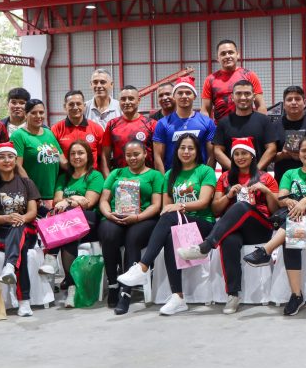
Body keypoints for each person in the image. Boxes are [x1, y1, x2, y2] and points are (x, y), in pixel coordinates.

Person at [115, 133, 217, 316]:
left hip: (203, 224)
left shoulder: (205, 171)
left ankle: (143, 266)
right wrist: (174, 208)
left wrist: (181, 206)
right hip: (179, 224)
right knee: (171, 235)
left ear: (197, 151)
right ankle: (178, 297)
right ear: (176, 150)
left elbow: (203, 202)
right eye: (182, 148)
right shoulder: (170, 174)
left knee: (171, 216)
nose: (186, 152)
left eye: (190, 148)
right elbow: (165, 206)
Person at [176, 138, 280, 314]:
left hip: (260, 227)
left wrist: (266, 191)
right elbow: (216, 210)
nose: (240, 157)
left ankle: (206, 246)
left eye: (244, 153)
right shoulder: (225, 178)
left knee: (241, 207)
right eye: (236, 154)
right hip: (233, 228)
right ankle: (233, 294)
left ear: (252, 156)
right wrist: (229, 195)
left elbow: (275, 210)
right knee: (229, 240)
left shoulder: (265, 177)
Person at [243, 134, 306, 316]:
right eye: (304, 150)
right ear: (298, 153)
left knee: (302, 215)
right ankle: (297, 295)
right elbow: (282, 198)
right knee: (292, 237)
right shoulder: (290, 173)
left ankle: (266, 250)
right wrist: (289, 202)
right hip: (298, 225)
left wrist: (303, 202)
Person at [97, 139, 164, 315]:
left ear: (145, 154)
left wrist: (137, 217)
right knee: (108, 234)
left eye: (136, 154)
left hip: (143, 219)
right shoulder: (117, 173)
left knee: (132, 239)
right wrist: (108, 214)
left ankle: (125, 292)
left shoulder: (155, 176)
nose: (132, 158)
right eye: (129, 155)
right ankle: (113, 284)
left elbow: (156, 206)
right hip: (115, 217)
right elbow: (104, 200)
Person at [0, 143, 42, 317]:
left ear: (15, 159)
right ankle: (24, 301)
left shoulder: (26, 183)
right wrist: (7, 218)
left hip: (26, 229)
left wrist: (20, 218)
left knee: (18, 228)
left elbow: (33, 213)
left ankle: (10, 266)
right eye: (2, 157)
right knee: (18, 248)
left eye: (10, 156)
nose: (7, 160)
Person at [50, 140, 104, 292]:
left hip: (90, 221)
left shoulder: (95, 176)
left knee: (67, 220)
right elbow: (56, 201)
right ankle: (72, 285)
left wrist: (67, 201)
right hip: (69, 225)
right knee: (69, 235)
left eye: (80, 153)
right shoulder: (64, 177)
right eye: (72, 154)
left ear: (88, 155)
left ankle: (52, 258)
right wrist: (75, 200)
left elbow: (89, 202)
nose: (76, 156)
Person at [11, 99, 66, 209]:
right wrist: (32, 192)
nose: (38, 116)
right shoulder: (18, 135)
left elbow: (62, 161)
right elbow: (18, 166)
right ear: (26, 115)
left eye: (41, 112)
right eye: (33, 113)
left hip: (55, 195)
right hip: (33, 197)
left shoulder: (49, 133)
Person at [214, 79, 277, 170]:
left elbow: (271, 149)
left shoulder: (265, 121)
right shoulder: (223, 123)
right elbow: (217, 150)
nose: (243, 97)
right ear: (232, 97)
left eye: (247, 93)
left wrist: (255, 172)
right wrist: (235, 171)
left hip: (258, 181)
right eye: (238, 93)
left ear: (254, 96)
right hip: (231, 181)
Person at [154, 80, 216, 171]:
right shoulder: (163, 123)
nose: (184, 96)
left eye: (188, 93)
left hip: (198, 179)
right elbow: (158, 157)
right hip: (173, 178)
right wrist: (164, 182)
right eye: (180, 93)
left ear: (194, 96)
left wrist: (206, 178)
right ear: (174, 96)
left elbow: (212, 155)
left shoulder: (207, 122)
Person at [201, 39, 266, 120]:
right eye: (223, 54)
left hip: (247, 127)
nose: (227, 56)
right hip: (221, 129)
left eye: (231, 52)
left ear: (237, 54)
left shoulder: (250, 76)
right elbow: (205, 110)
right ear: (218, 58)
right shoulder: (210, 80)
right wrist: (208, 129)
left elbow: (260, 105)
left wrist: (262, 126)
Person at [51, 89, 110, 176]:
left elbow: (103, 158)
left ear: (84, 106)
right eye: (71, 104)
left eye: (78, 104)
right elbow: (54, 155)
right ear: (65, 107)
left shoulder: (97, 128)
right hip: (66, 179)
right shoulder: (56, 129)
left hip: (92, 179)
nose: (75, 107)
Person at [105, 85, 155, 172]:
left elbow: (158, 156)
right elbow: (105, 157)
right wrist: (108, 179)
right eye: (123, 99)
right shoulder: (111, 124)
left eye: (131, 98)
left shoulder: (151, 124)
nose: (127, 102)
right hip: (120, 179)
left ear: (138, 100)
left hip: (146, 180)